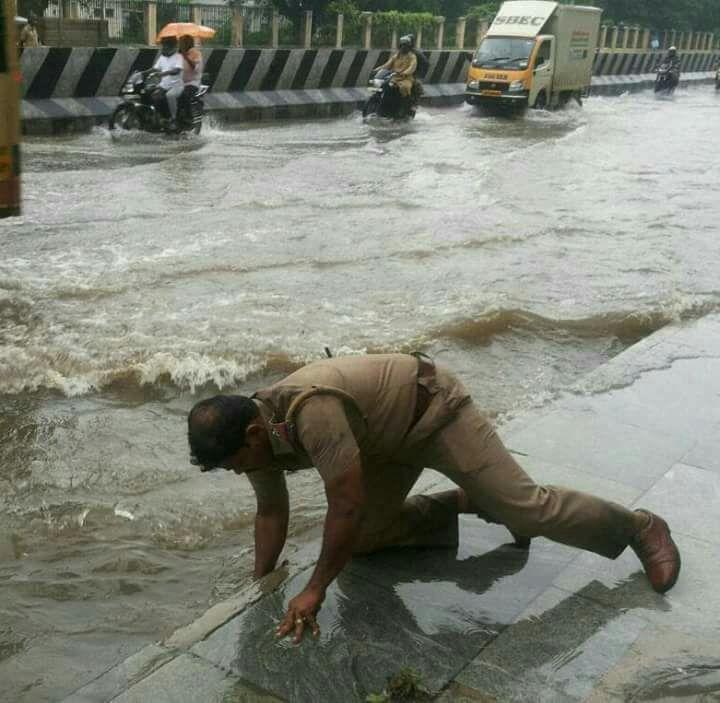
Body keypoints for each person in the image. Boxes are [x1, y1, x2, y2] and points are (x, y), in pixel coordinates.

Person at [187, 353, 681, 644]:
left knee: (528, 507)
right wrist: (259, 587)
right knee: (362, 541)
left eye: (233, 463)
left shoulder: (309, 414)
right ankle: (468, 501)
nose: (235, 471)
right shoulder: (255, 440)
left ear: (253, 434)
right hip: (378, 443)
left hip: (432, 412)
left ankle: (638, 527)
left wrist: (315, 588)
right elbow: (271, 511)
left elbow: (346, 504)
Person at [150, 36, 184, 129]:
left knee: (170, 95)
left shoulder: (179, 57)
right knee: (153, 94)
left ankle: (174, 118)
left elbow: (176, 70)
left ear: (172, 46)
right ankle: (159, 117)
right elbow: (154, 69)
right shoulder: (162, 57)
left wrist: (163, 74)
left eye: (166, 45)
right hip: (163, 86)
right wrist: (142, 73)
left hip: (176, 86)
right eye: (163, 45)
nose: (163, 48)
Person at [178, 34, 203, 120]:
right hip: (179, 82)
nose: (181, 44)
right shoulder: (178, 54)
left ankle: (189, 117)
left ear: (188, 43)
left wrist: (186, 57)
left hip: (192, 83)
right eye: (180, 42)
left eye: (183, 42)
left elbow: (195, 68)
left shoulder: (195, 53)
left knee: (184, 95)